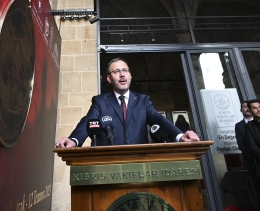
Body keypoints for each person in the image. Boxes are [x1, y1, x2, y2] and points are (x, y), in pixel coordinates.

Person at [55, 58, 200, 148]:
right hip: (108, 166)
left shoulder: (143, 101)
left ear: (130, 76)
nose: (122, 74)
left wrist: (180, 136)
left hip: (139, 164)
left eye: (125, 70)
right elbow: (88, 121)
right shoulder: (100, 102)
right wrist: (73, 140)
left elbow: (158, 119)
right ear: (109, 78)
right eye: (116, 71)